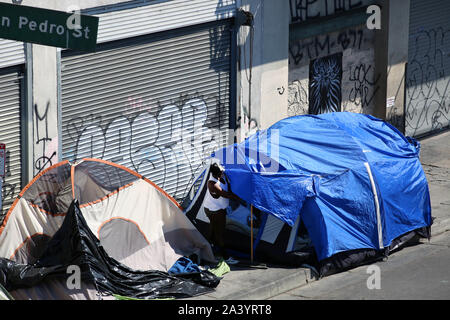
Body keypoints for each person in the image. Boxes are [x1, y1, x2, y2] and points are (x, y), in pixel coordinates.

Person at [203, 162, 239, 265]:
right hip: (214, 210)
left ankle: (208, 248)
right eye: (220, 171)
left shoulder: (220, 176)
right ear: (215, 173)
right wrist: (242, 199)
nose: (223, 172)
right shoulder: (212, 184)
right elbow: (225, 194)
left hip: (219, 209)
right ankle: (225, 257)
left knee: (214, 229)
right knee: (219, 232)